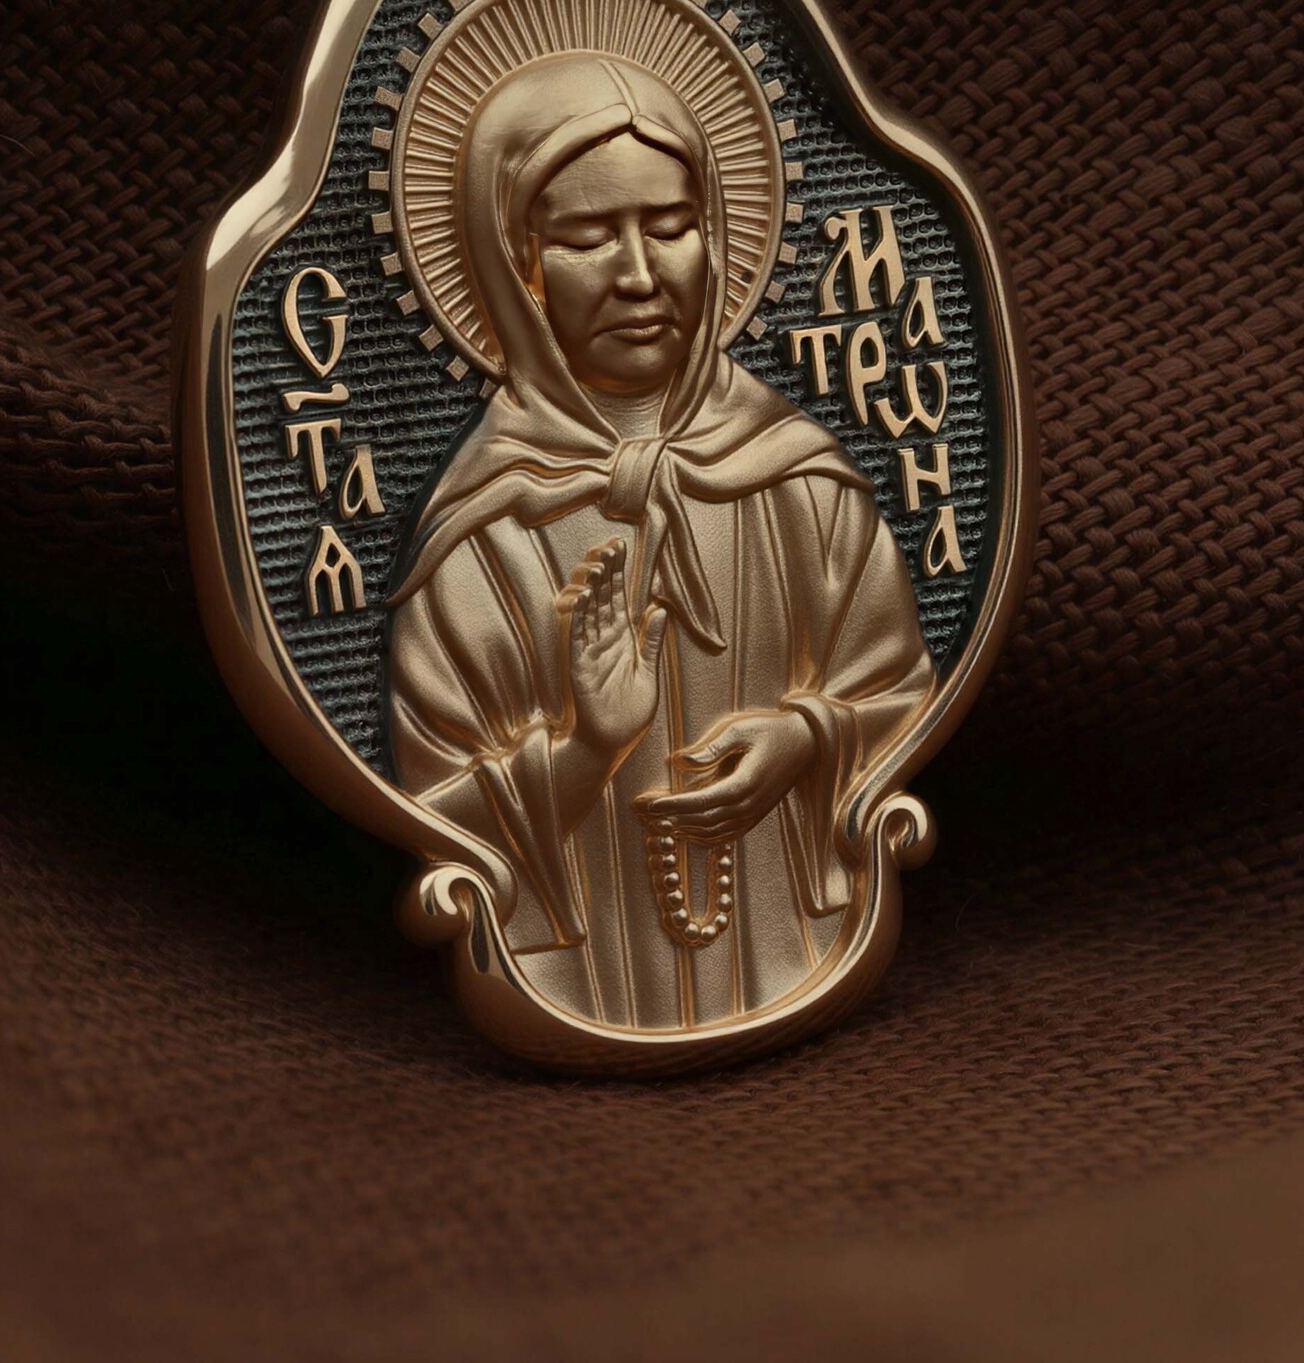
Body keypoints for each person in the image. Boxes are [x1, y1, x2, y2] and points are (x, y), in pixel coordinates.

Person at [387, 51, 933, 1031]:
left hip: (806, 935)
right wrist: (587, 747)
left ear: (713, 239)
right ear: (515, 264)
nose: (639, 275)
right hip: (575, 984)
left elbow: (896, 690)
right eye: (589, 237)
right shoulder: (478, 541)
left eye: (671, 226)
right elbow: (433, 803)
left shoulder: (804, 486)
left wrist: (805, 741)